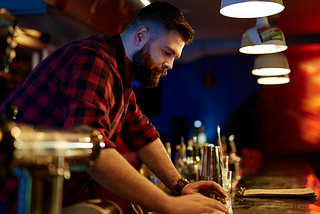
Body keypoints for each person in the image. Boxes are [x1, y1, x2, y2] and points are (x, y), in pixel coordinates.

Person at [0, 2, 229, 214]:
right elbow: (90, 149)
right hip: (7, 196)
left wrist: (180, 186)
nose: (169, 64)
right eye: (167, 52)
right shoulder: (94, 61)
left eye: (174, 57)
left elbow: (142, 133)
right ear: (141, 36)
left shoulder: (120, 78)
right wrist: (169, 204)